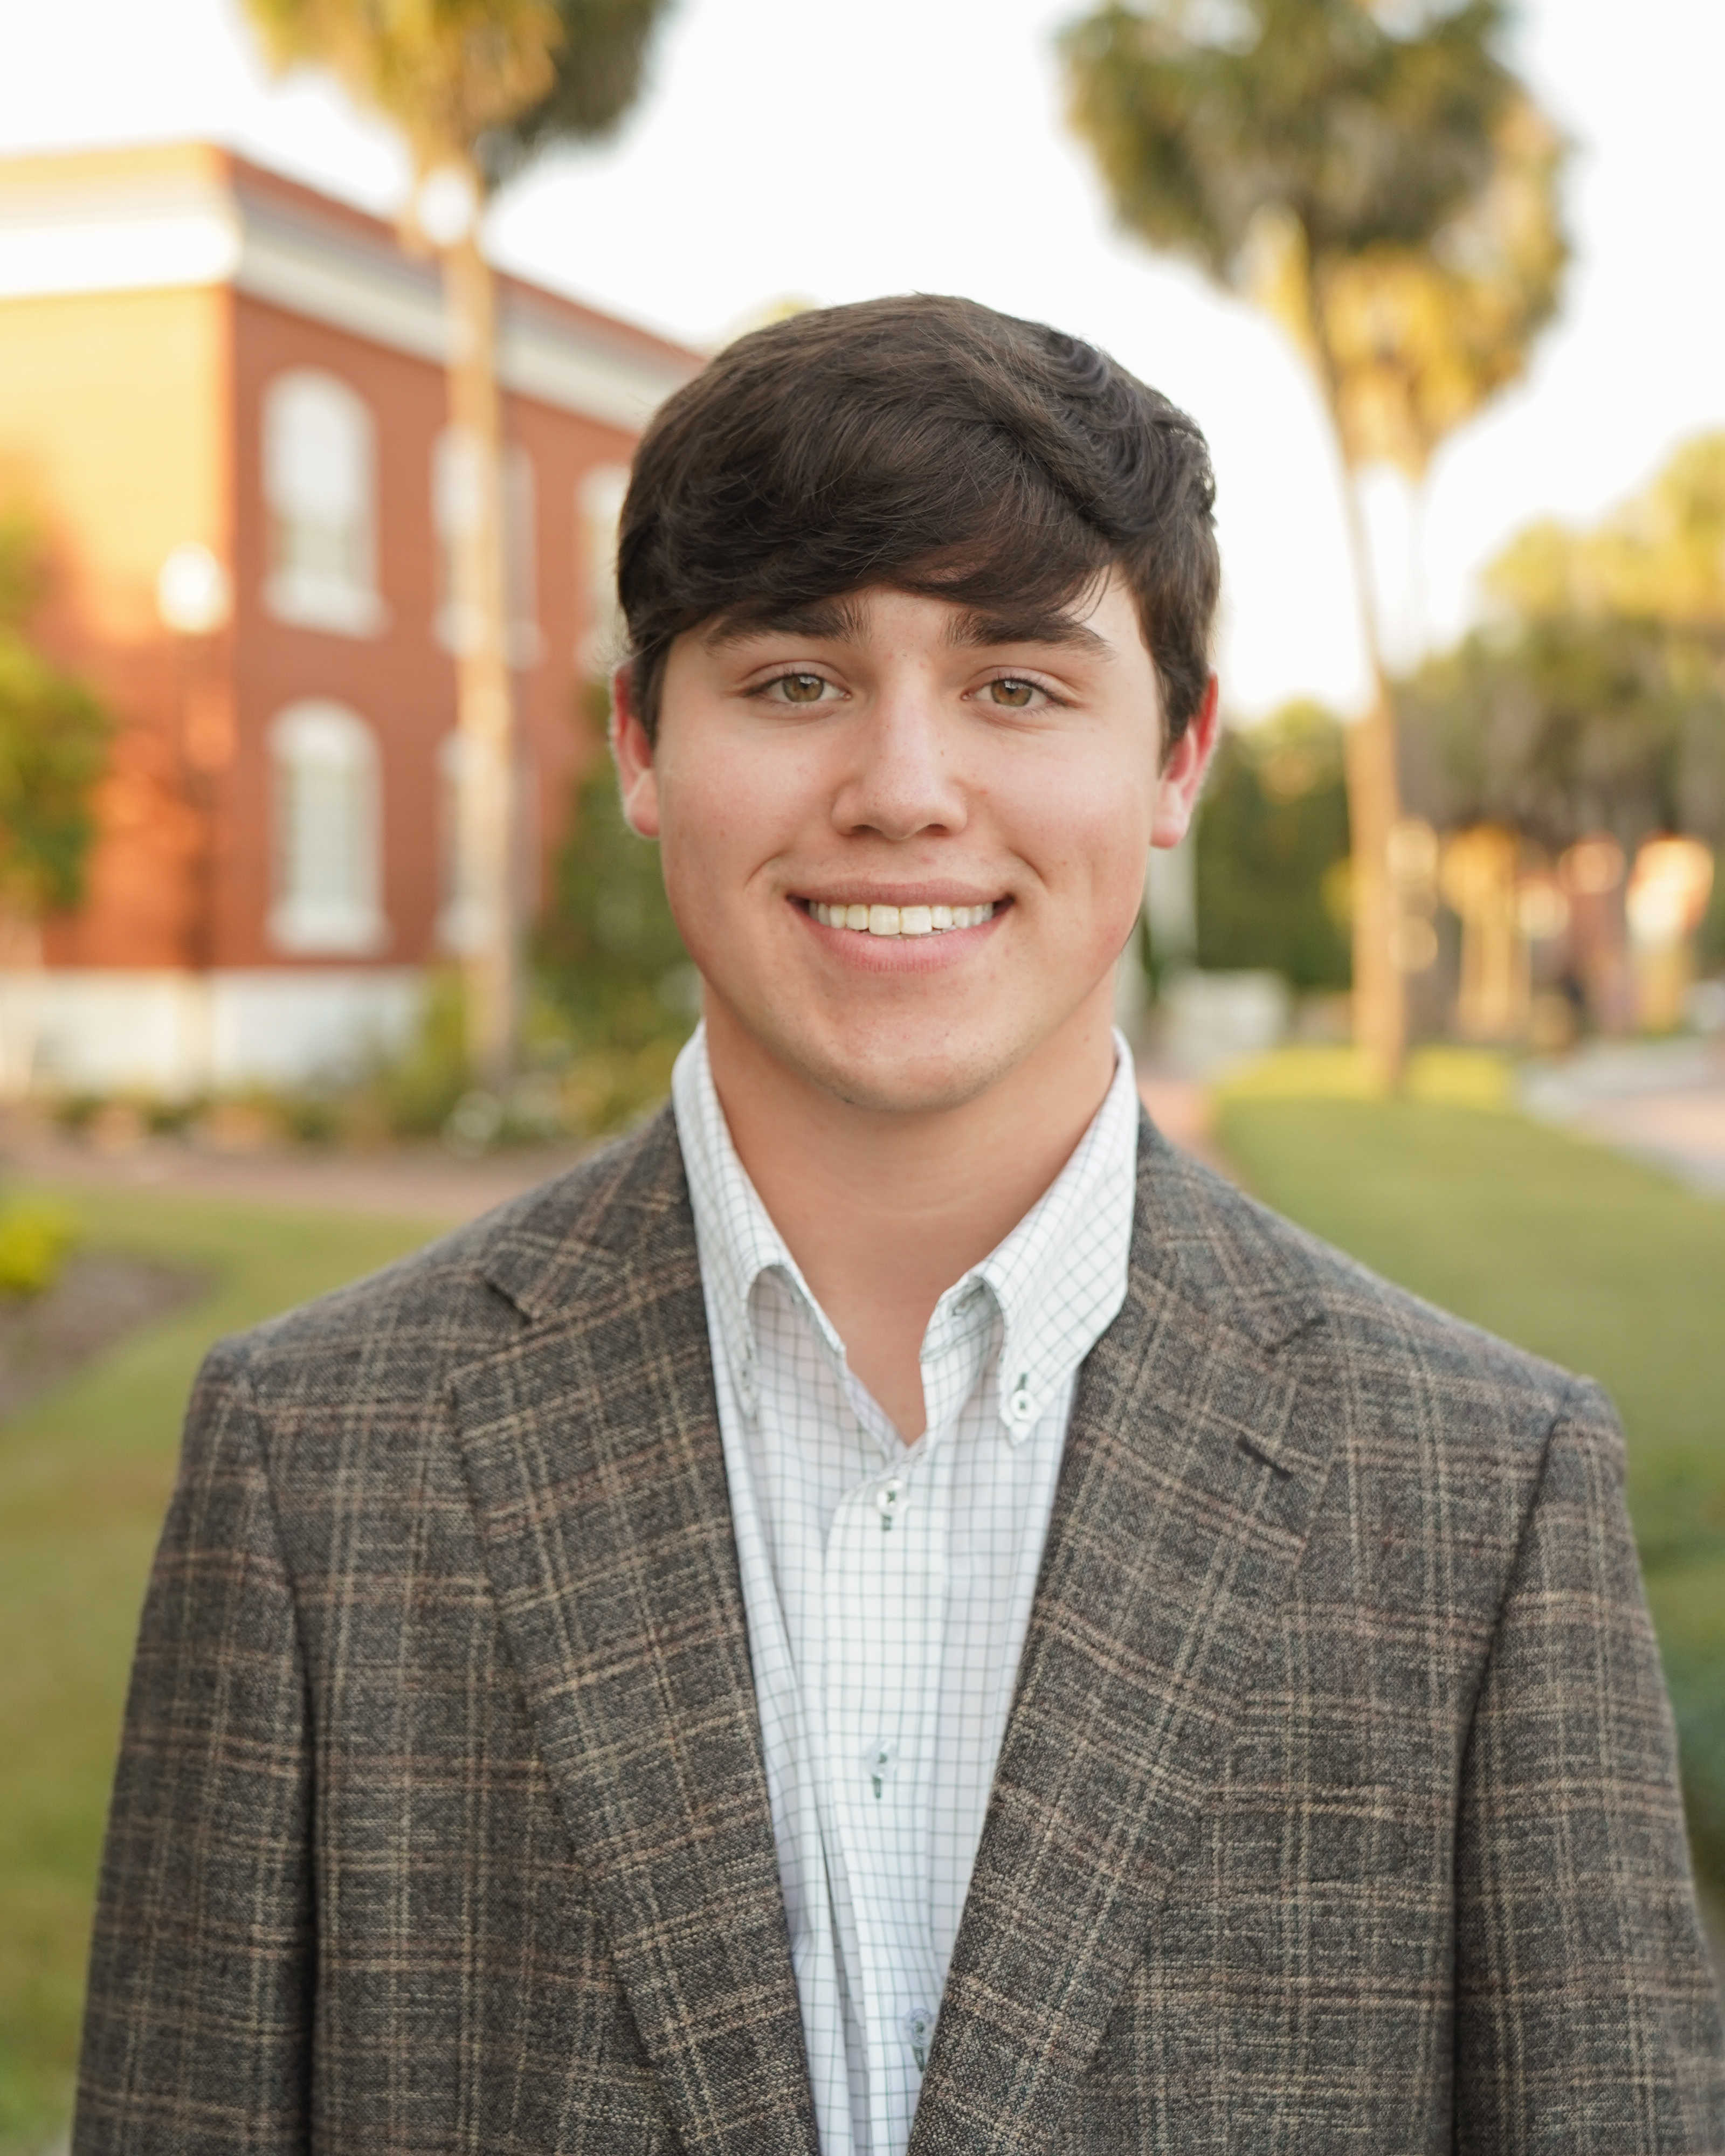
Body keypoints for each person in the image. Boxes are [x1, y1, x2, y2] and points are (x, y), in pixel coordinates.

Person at [75, 296, 1722, 2156]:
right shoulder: (315, 1463)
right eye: (795, 681)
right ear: (641, 743)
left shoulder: (1486, 1494)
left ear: (1177, 759)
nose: (906, 790)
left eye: (1018, 684)